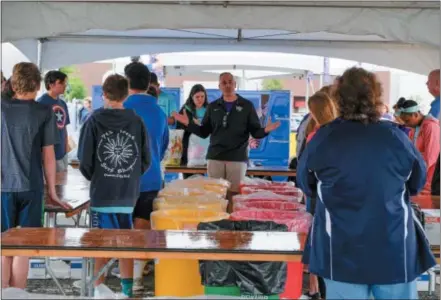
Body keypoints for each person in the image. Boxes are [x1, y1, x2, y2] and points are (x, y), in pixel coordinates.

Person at [297, 67, 436, 300]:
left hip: (340, 246)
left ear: (338, 99)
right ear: (375, 98)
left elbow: (306, 183)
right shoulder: (396, 136)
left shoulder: (325, 137)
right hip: (393, 244)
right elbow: (416, 182)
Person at [77, 74, 150, 298]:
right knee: (126, 243)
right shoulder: (137, 121)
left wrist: (99, 176)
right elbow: (146, 159)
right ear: (126, 94)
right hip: (128, 195)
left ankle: (100, 290)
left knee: (101, 244)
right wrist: (129, 177)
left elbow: (84, 159)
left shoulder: (93, 120)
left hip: (102, 194)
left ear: (104, 94)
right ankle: (127, 291)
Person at [1, 62, 71, 289]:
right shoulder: (44, 112)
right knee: (23, 248)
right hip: (32, 187)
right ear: (39, 85)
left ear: (13, 83)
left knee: (3, 248)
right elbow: (49, 156)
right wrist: (52, 192)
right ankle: (17, 293)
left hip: (2, 187)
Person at [173, 72, 280, 205]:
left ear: (235, 84)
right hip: (215, 158)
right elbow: (204, 132)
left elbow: (256, 132)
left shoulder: (247, 106)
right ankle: (217, 224)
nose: (227, 85)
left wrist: (265, 130)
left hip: (237, 159)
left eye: (230, 82)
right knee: (214, 195)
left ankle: (231, 224)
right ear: (219, 86)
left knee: (234, 197)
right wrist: (188, 124)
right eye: (224, 83)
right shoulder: (212, 107)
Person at [122, 62, 169, 290]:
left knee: (118, 230)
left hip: (119, 180)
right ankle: (138, 280)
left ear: (127, 81)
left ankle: (124, 280)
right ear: (148, 83)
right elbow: (164, 145)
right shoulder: (159, 112)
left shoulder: (119, 108)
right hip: (150, 178)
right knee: (142, 229)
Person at [396, 100, 440, 194]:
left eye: (407, 120)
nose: (405, 124)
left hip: (429, 180)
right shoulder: (414, 128)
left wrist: (415, 175)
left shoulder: (431, 127)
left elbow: (431, 158)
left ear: (415, 114)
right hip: (419, 177)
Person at [37, 70, 71, 172]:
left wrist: (66, 148)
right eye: (61, 83)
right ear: (51, 84)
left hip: (62, 153)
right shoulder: (40, 103)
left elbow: (64, 127)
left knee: (61, 185)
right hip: (48, 155)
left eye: (65, 83)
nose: (65, 85)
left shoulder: (63, 103)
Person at [172, 84, 208, 177]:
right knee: (188, 180)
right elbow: (179, 131)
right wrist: (191, 125)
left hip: (204, 151)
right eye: (197, 97)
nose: (200, 99)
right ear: (192, 97)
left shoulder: (209, 109)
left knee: (201, 181)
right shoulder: (185, 110)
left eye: (202, 96)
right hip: (188, 151)